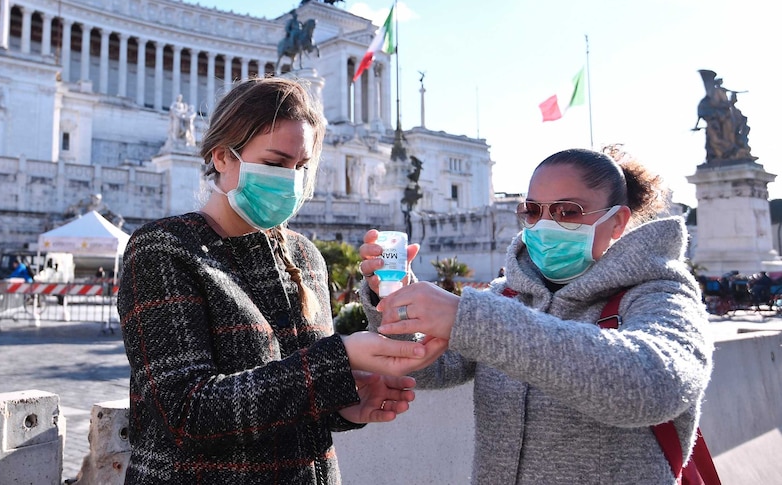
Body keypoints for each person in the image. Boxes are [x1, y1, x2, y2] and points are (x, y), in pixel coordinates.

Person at [117, 77, 441, 484]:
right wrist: (338, 360)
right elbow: (185, 414)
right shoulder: (164, 249)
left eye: (301, 167)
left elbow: (292, 394)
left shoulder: (305, 256)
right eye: (274, 163)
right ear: (221, 156)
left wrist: (344, 406)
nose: (290, 180)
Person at [358, 148, 714, 483]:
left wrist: (470, 318)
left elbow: (654, 386)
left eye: (567, 211)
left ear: (617, 222)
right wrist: (392, 296)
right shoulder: (508, 294)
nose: (545, 225)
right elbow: (430, 367)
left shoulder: (661, 291)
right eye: (532, 211)